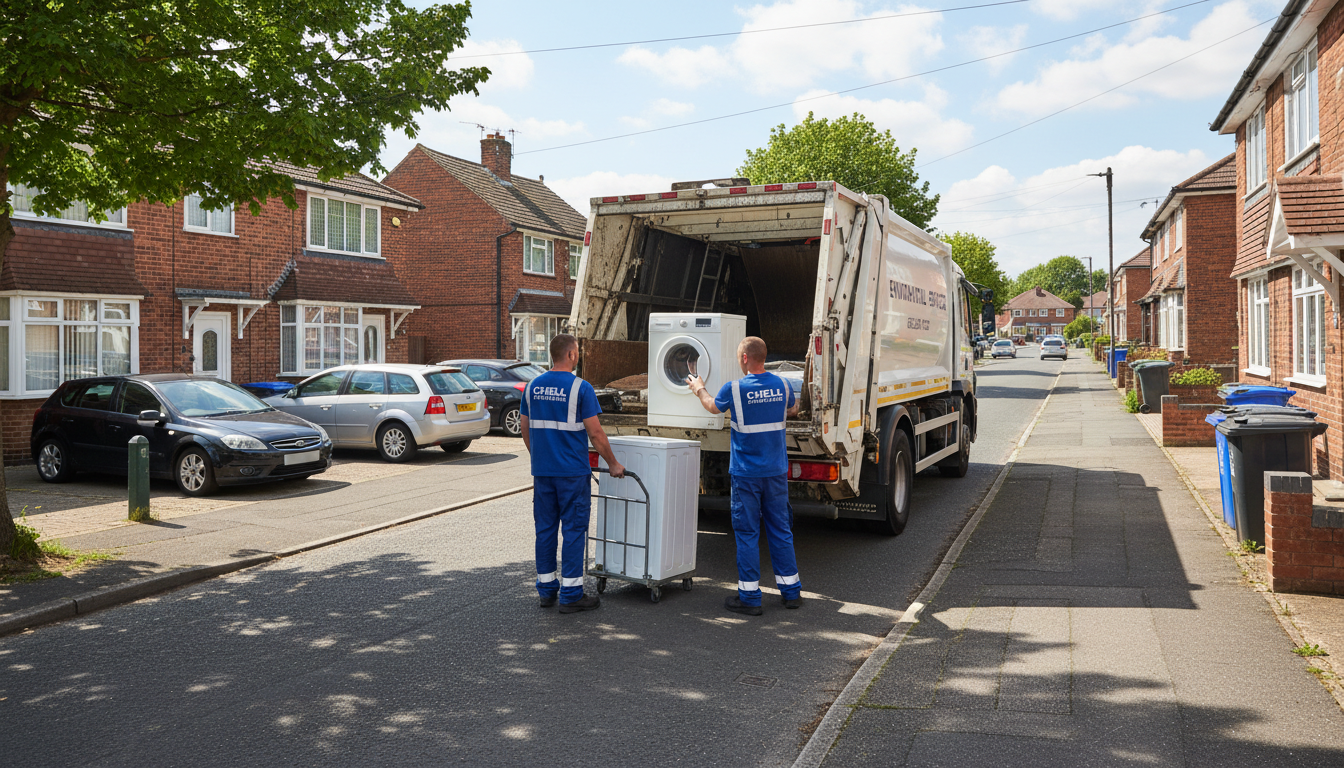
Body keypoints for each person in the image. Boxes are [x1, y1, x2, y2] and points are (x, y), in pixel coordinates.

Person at [687, 336, 802, 616]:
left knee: (748, 533)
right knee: (780, 529)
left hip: (747, 475)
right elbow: (794, 408)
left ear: (744, 359)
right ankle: (791, 593)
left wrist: (699, 388)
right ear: (764, 357)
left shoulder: (735, 389)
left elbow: (713, 406)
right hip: (775, 472)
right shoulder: (783, 384)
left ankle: (750, 598)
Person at [520, 334, 625, 614]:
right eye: (576, 352)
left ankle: (546, 590)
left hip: (543, 473)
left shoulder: (531, 387)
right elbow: (596, 433)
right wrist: (613, 463)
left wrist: (540, 458)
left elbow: (525, 429)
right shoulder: (581, 388)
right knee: (574, 530)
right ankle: (571, 594)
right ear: (571, 355)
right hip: (572, 474)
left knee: (545, 531)